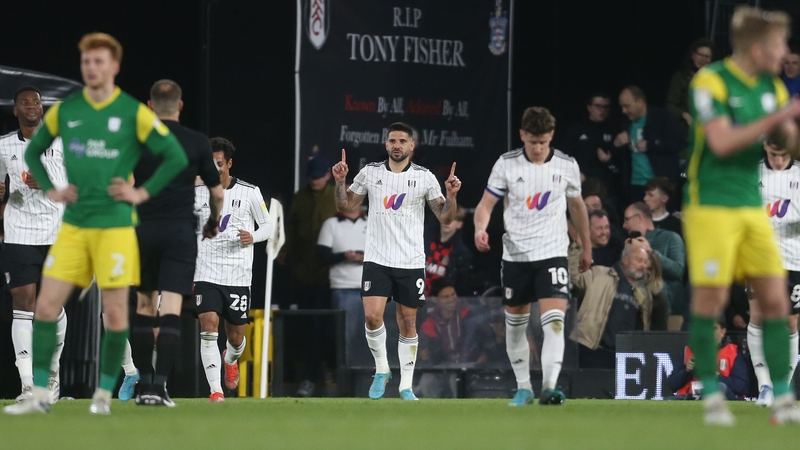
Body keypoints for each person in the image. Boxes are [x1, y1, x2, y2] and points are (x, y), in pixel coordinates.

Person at [4, 32, 188, 415]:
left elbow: (173, 155)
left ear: (114, 67)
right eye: (87, 62)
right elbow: (33, 151)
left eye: (99, 61)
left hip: (115, 227)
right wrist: (54, 188)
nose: (92, 68)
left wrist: (141, 192)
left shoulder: (133, 111)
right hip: (72, 226)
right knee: (44, 309)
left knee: (117, 313)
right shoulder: (67, 110)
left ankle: (103, 395)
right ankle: (39, 394)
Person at [683, 5, 800, 425]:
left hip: (751, 206)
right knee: (710, 301)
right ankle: (711, 395)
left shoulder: (772, 88)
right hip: (711, 206)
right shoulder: (709, 81)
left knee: (775, 300)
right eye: (780, 43)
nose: (785, 51)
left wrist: (791, 126)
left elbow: (789, 143)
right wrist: (780, 116)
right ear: (758, 46)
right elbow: (721, 143)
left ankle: (783, 399)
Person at [331, 121, 461, 401]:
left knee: (409, 323)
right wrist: (340, 182)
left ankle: (406, 386)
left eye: (403, 141)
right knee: (372, 316)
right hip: (377, 258)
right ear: (386, 144)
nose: (397, 145)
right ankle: (381, 370)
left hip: (410, 260)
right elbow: (344, 206)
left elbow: (446, 217)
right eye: (392, 141)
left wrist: (451, 195)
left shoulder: (425, 178)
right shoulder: (370, 173)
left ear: (412, 146)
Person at [473, 106, 591, 406]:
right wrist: (480, 230)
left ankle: (549, 386)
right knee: (515, 328)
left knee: (554, 322)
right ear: (522, 135)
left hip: (552, 252)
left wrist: (587, 247)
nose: (538, 149)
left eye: (543, 142)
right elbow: (486, 204)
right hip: (515, 256)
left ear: (551, 136)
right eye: (532, 142)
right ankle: (523, 387)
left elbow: (577, 207)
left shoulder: (566, 165)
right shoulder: (507, 164)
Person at [126, 79, 224, 406]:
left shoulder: (138, 139)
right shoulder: (197, 142)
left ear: (150, 106)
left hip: (143, 230)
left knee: (142, 306)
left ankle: (143, 385)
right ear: (180, 106)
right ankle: (160, 387)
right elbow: (217, 192)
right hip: (180, 232)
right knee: (170, 307)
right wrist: (212, 223)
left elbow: (123, 183)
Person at [0, 86, 68, 404]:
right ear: (15, 110)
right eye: (24, 102)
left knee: (51, 306)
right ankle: (28, 384)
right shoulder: (3, 146)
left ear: (43, 109)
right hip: (19, 233)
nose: (30, 106)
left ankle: (51, 376)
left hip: (58, 232)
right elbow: (3, 188)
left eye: (36, 102)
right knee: (23, 302)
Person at [195, 137, 272, 403]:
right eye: (210, 164)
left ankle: (230, 359)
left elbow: (269, 226)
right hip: (205, 272)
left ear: (229, 163)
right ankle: (215, 389)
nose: (214, 169)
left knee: (237, 336)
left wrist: (253, 236)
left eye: (219, 164)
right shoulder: (197, 192)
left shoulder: (250, 192)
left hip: (238, 276)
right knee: (208, 324)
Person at [748, 136, 800, 407]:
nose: (778, 161)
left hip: (794, 260)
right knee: (758, 316)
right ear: (766, 147)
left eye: (783, 155)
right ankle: (765, 386)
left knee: (790, 323)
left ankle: (783, 387)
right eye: (773, 155)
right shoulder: (752, 174)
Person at [279, 155, 337, 395]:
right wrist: (285, 249)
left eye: (319, 177)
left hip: (331, 276)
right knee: (306, 327)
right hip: (303, 272)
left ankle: (332, 371)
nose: (315, 181)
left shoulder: (337, 197)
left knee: (328, 327)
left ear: (328, 176)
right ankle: (307, 377)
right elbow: (290, 228)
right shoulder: (300, 198)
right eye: (311, 177)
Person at [569, 242, 660, 369]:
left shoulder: (644, 293)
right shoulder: (599, 273)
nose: (643, 266)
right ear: (625, 260)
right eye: (639, 260)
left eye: (645, 262)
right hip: (592, 349)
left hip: (625, 358)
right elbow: (575, 278)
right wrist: (576, 247)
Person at [317, 183, 367, 367]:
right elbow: (322, 256)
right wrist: (344, 256)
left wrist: (365, 256)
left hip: (370, 289)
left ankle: (364, 376)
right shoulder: (331, 224)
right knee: (344, 335)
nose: (348, 198)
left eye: (353, 194)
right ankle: (343, 375)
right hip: (342, 288)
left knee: (371, 335)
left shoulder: (372, 223)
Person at [614, 86, 685, 206]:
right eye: (622, 106)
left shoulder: (662, 117)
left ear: (640, 102)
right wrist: (616, 144)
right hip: (635, 185)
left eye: (627, 106)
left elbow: (679, 142)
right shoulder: (625, 122)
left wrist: (651, 145)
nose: (623, 110)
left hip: (659, 185)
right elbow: (618, 156)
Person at [622, 202, 686, 323]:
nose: (624, 225)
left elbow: (678, 270)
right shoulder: (629, 245)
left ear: (639, 217)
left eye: (627, 220)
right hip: (635, 313)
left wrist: (650, 252)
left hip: (669, 313)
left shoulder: (671, 238)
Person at [667, 317, 749, 400]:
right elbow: (672, 384)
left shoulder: (733, 352)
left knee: (720, 387)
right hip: (692, 397)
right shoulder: (690, 350)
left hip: (720, 397)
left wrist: (717, 377)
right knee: (667, 401)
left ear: (723, 332)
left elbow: (742, 386)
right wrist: (686, 371)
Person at [416, 278, 471, 398]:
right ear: (435, 299)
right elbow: (424, 353)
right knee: (427, 381)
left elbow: (481, 340)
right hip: (442, 366)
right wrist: (424, 353)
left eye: (453, 295)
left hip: (469, 363)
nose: (451, 299)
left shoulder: (468, 314)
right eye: (446, 297)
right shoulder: (429, 323)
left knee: (456, 379)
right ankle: (435, 414)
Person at [562, 93, 619, 195]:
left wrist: (609, 159)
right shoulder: (577, 130)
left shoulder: (614, 130)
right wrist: (575, 173)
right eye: (598, 106)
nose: (602, 110)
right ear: (589, 107)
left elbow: (621, 162)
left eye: (605, 107)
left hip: (607, 186)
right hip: (581, 184)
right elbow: (564, 156)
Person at [423, 205, 476, 296]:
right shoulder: (423, 237)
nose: (447, 222)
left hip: (440, 301)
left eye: (452, 219)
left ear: (459, 224)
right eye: (445, 217)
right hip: (416, 292)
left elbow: (461, 285)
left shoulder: (461, 253)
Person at [666, 38, 715, 126]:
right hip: (687, 128)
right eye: (700, 55)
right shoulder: (680, 77)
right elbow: (671, 105)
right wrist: (685, 115)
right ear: (693, 55)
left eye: (707, 56)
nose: (703, 59)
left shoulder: (716, 78)